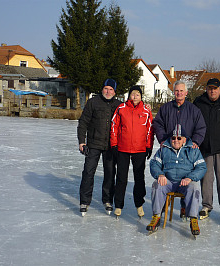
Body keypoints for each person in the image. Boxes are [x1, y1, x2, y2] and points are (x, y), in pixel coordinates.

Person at [153, 80, 206, 218]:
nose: (179, 93)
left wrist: (195, 141)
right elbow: (158, 123)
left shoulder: (193, 110)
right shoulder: (165, 108)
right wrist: (163, 139)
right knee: (168, 174)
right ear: (173, 92)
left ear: (186, 93)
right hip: (170, 145)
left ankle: (185, 208)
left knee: (186, 175)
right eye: (176, 91)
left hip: (187, 147)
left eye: (181, 91)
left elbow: (200, 127)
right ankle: (162, 207)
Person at [147, 124, 207, 236]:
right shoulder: (164, 149)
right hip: (168, 182)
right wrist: (160, 174)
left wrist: (190, 177)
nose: (176, 140)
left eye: (179, 138)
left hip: (185, 182)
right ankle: (156, 216)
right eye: (173, 138)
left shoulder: (193, 150)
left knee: (194, 186)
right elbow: (154, 163)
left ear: (184, 139)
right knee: (157, 184)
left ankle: (193, 219)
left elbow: (202, 167)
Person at [77, 78, 121, 216]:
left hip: (110, 146)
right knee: (88, 172)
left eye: (111, 89)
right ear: (102, 89)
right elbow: (83, 122)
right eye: (106, 89)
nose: (108, 92)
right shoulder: (93, 102)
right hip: (93, 143)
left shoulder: (119, 105)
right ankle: (84, 201)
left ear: (115, 91)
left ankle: (107, 200)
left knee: (109, 173)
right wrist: (81, 141)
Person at [110, 85, 154, 218]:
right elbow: (114, 126)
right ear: (129, 96)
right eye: (132, 94)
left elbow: (150, 130)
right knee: (121, 178)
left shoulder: (146, 110)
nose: (135, 97)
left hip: (140, 149)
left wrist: (149, 146)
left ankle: (139, 204)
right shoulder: (121, 108)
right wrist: (114, 144)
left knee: (139, 178)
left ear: (141, 97)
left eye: (137, 95)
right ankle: (118, 205)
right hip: (123, 148)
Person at [193, 78, 220, 219]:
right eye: (210, 88)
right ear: (206, 89)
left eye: (215, 88)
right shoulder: (199, 102)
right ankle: (206, 206)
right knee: (206, 179)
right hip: (206, 147)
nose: (212, 91)